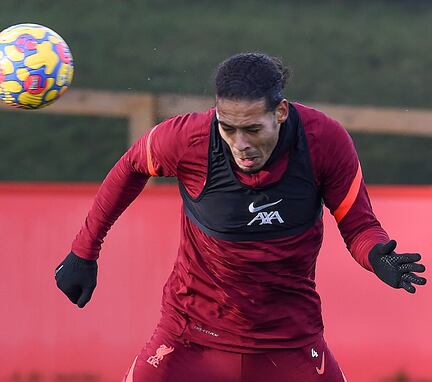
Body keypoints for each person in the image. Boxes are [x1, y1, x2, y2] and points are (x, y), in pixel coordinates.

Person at [54, 52, 426, 382]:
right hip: (190, 338)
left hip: (291, 342)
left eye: (252, 129)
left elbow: (359, 226)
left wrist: (377, 255)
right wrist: (85, 250)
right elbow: (132, 167)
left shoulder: (324, 141)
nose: (240, 144)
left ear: (280, 112)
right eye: (228, 128)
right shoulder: (189, 140)